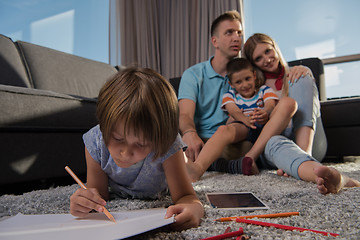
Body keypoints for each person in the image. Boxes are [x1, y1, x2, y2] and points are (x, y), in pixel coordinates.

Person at [69, 67, 204, 230]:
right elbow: (98, 195)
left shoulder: (167, 143)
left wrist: (195, 208)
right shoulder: (95, 142)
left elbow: (186, 196)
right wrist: (87, 201)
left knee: (190, 172)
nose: (125, 153)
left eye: (140, 144)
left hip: (169, 164)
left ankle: (190, 164)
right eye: (118, 138)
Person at [240, 33, 360, 194]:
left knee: (302, 75)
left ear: (275, 48)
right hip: (276, 146)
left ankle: (304, 154)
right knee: (273, 140)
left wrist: (304, 73)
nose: (267, 59)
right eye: (258, 58)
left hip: (309, 141)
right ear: (253, 64)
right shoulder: (254, 88)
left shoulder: (296, 75)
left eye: (268, 51)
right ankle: (336, 177)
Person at [186, 57, 280, 181]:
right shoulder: (230, 95)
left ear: (254, 75)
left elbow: (270, 105)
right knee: (223, 129)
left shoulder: (264, 90)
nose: (245, 85)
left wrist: (265, 113)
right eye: (239, 82)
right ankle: (197, 168)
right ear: (231, 84)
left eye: (247, 79)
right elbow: (233, 111)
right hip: (244, 127)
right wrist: (245, 119)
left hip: (265, 127)